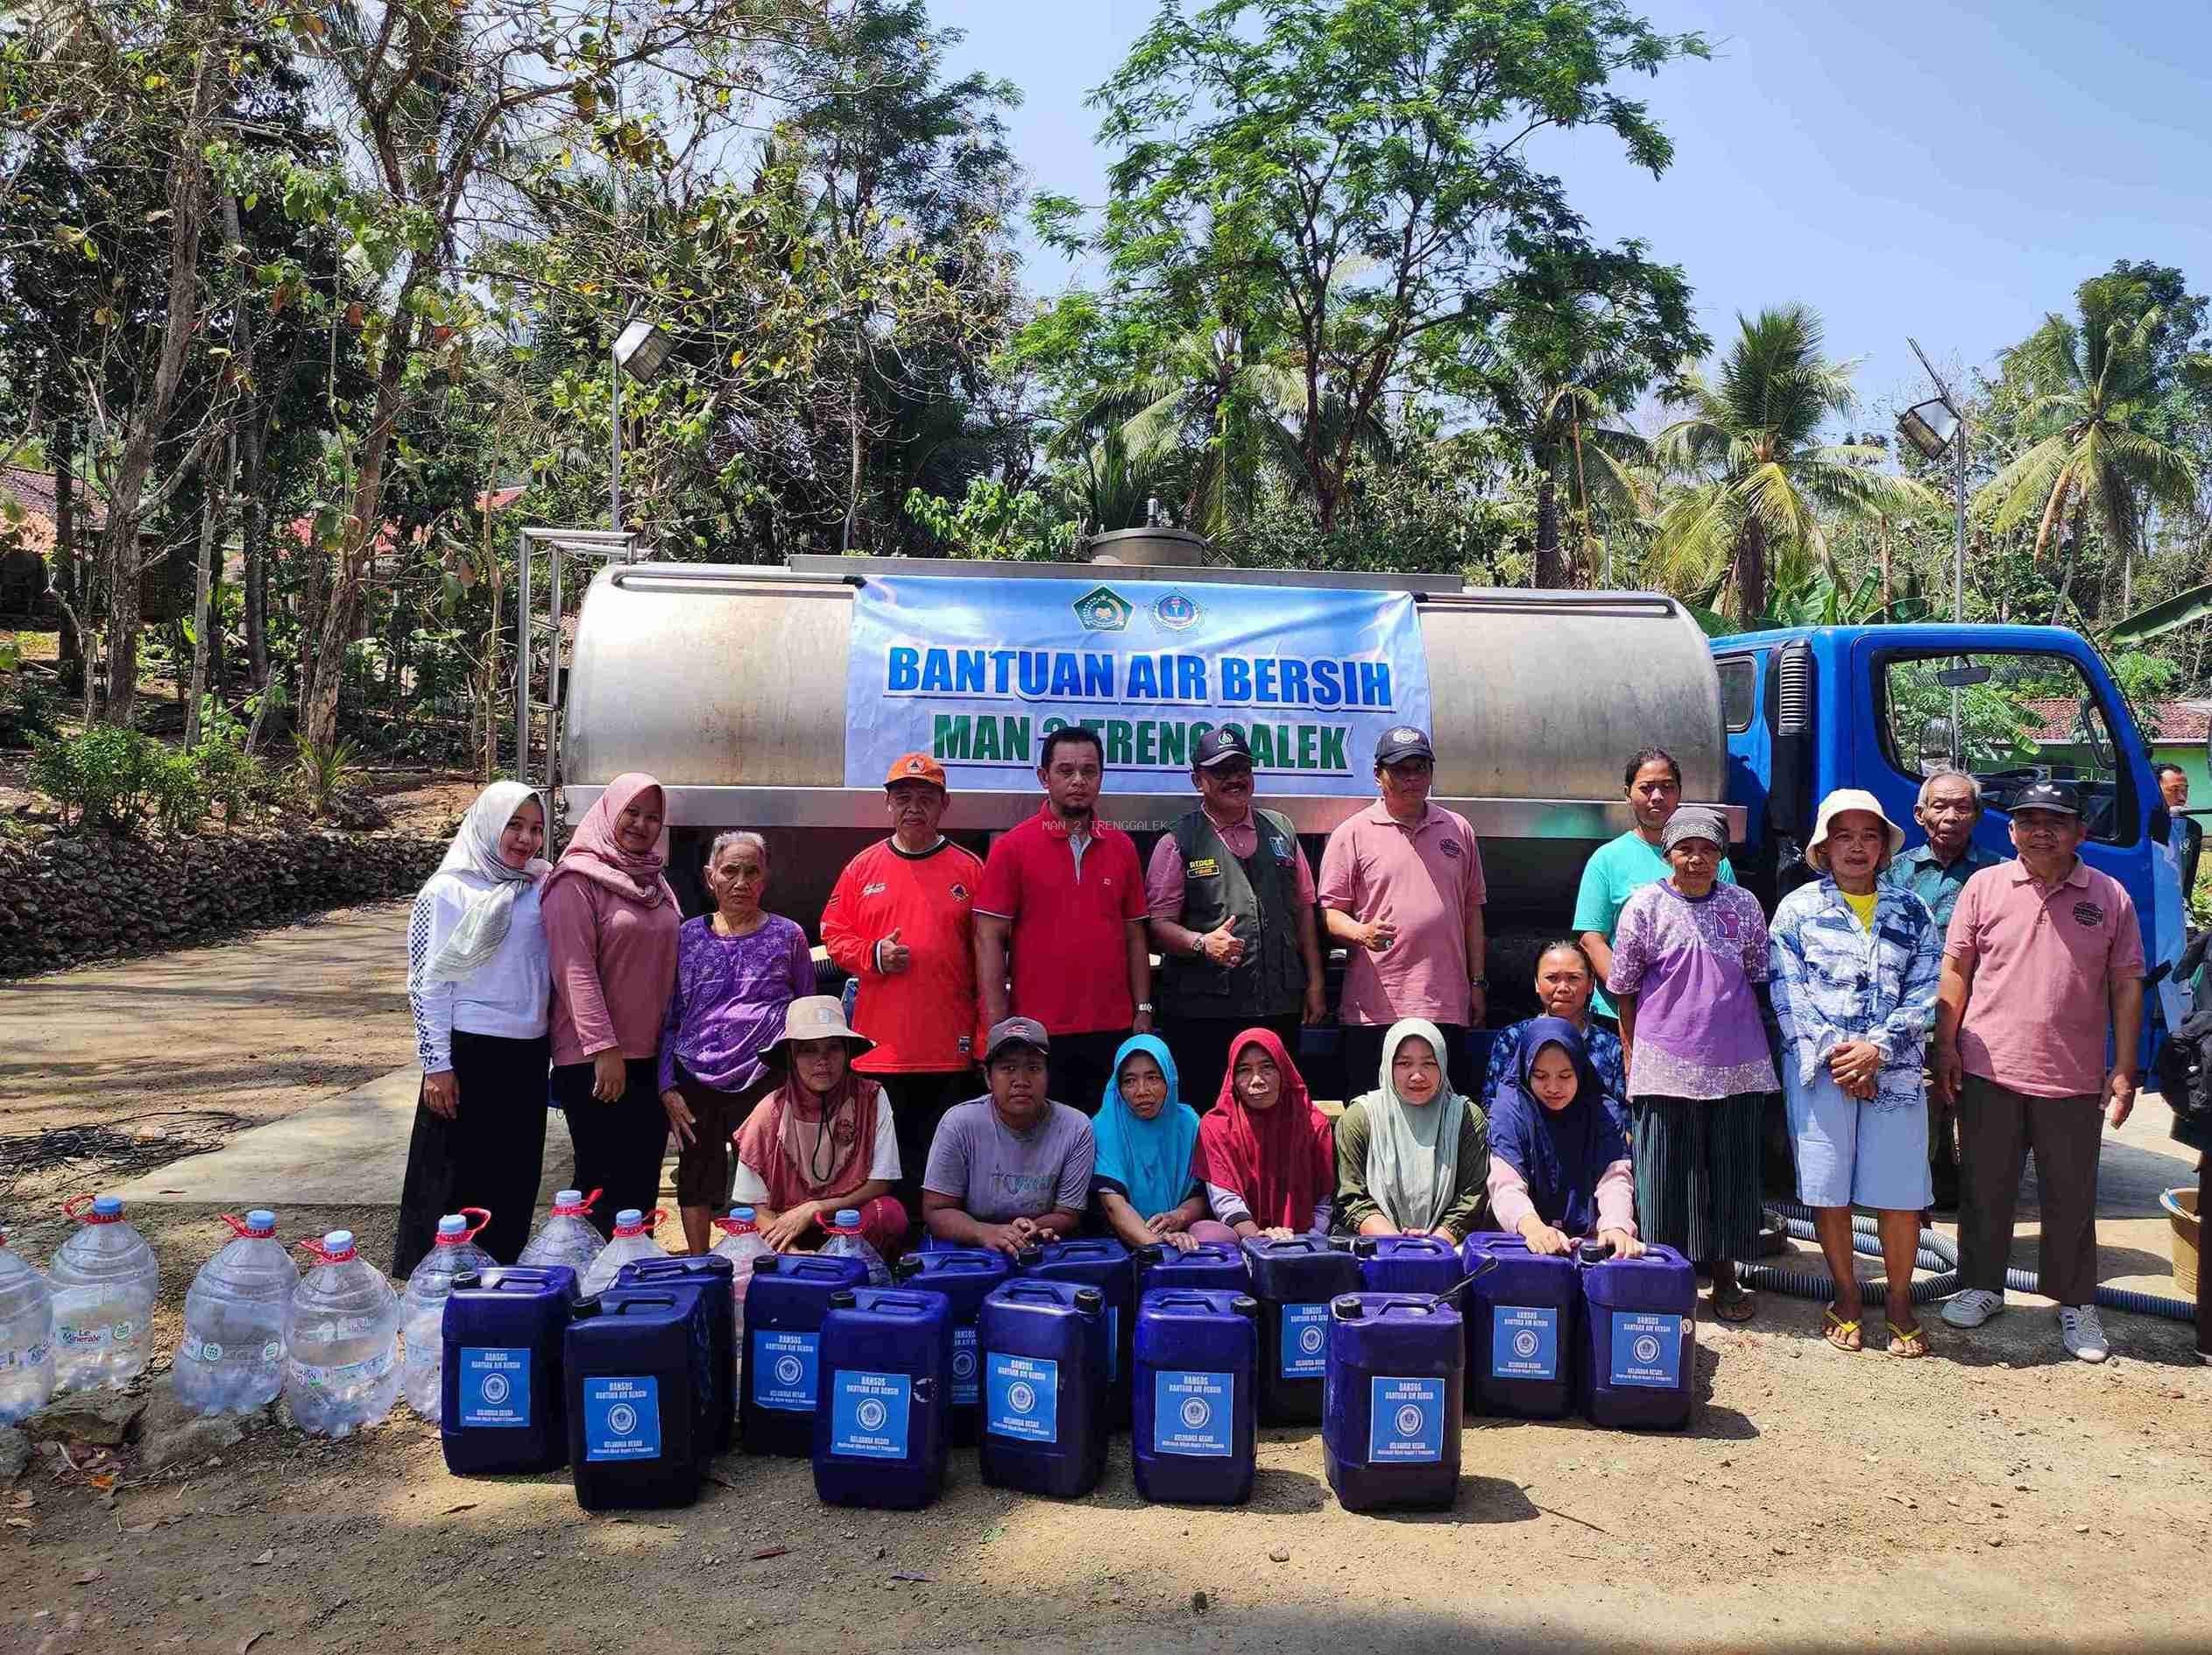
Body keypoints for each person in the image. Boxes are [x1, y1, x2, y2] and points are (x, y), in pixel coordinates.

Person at [1934, 781, 2145, 1363]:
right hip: (1988, 1068)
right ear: (2010, 831)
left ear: (2080, 832)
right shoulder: (1984, 887)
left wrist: (2124, 1068)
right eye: (2028, 821)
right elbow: (1956, 970)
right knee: (1984, 1189)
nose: (2040, 831)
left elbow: (2126, 985)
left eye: (2055, 821)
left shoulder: (2109, 896)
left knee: (2070, 1198)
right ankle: (1981, 1285)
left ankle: (2075, 1302)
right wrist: (1945, 1045)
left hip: (2072, 1075)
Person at [1769, 790, 1943, 1357]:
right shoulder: (1795, 911)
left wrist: (1878, 1050)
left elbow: (1926, 990)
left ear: (1884, 848)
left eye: (1869, 836)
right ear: (1823, 848)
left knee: (1899, 1194)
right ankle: (1845, 1294)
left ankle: (1898, 1299)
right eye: (1842, 836)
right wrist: (1841, 1060)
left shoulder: (1911, 911)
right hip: (1823, 1076)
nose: (1856, 847)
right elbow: (1788, 995)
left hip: (1894, 1073)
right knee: (1830, 1191)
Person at [1607, 806, 1776, 1322]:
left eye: (1708, 849)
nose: (1697, 858)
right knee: (1664, 1178)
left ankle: (1724, 1278)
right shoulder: (1645, 905)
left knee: (1730, 1174)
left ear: (1721, 855)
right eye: (1686, 848)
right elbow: (1624, 989)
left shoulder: (1743, 904)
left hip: (1735, 1063)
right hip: (1664, 1064)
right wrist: (1632, 1054)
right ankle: (1665, 1281)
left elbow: (1757, 975)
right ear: (1668, 853)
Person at [821, 753, 986, 1227]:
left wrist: (981, 1039)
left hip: (948, 1052)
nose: (914, 807)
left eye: (926, 798)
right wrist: (873, 955)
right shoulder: (861, 868)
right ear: (888, 804)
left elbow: (990, 960)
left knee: (944, 1172)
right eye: (904, 797)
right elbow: (834, 933)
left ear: (944, 805)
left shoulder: (970, 869)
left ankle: (940, 1252)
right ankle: (890, 1251)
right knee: (884, 1175)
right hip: (880, 1054)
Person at [395, 782, 553, 1275]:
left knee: (514, 1174)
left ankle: (502, 1276)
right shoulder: (448, 890)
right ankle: (440, 1283)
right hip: (470, 1051)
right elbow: (428, 982)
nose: (526, 839)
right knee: (454, 1176)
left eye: (536, 829)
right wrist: (437, 1065)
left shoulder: (540, 885)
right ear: (488, 825)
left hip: (528, 1051)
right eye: (514, 826)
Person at [1146, 727, 1327, 1112]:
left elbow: (1304, 911)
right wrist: (1201, 943)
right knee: (1210, 1115)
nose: (1234, 779)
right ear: (1198, 780)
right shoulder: (1177, 841)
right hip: (1204, 1015)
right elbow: (1157, 926)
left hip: (1278, 1008)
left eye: (1241, 768)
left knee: (1276, 1113)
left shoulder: (1282, 830)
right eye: (1221, 771)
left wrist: (1314, 983)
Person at [975, 726, 1150, 1115]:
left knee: (1105, 1138)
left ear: (1101, 777)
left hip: (1113, 1029)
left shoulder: (1122, 847)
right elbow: (989, 940)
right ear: (1044, 777)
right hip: (1038, 1033)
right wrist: (998, 1027)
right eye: (1066, 771)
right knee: (1042, 1140)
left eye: (1089, 771)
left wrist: (1143, 1009)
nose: (1078, 781)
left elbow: (1136, 936)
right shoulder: (1012, 848)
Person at [657, 831, 815, 1255]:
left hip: (766, 1074)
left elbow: (806, 1014)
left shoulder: (789, 936)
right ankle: (699, 1262)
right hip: (696, 1074)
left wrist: (800, 1082)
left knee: (769, 1171)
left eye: (751, 872)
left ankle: (771, 1258)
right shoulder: (687, 936)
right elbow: (670, 1015)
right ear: (711, 877)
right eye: (730, 871)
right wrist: (667, 1086)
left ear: (765, 879)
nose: (741, 882)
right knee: (697, 1170)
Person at [544, 774, 682, 1240]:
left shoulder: (654, 881)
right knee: (601, 1180)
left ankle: (632, 1270)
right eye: (632, 813)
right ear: (608, 814)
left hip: (649, 1057)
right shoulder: (575, 880)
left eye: (653, 817)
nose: (642, 825)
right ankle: (590, 1270)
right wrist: (604, 1048)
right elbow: (573, 969)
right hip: (595, 1060)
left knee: (641, 1179)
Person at [1318, 726, 1488, 1099]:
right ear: (1378, 774)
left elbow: (1472, 912)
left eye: (1420, 767)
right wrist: (1361, 932)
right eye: (1400, 769)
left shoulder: (1458, 829)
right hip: (1375, 1009)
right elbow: (1329, 914)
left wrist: (1477, 984)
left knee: (1443, 1116)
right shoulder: (1351, 833)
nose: (1412, 777)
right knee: (1373, 1115)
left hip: (1445, 1004)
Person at [1883, 767, 2006, 1208]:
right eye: (1940, 806)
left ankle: (1978, 1219)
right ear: (1920, 815)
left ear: (1977, 815)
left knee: (1984, 1134)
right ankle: (1915, 1221)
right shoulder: (1894, 872)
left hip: (1983, 1024)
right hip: (1914, 1023)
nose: (1951, 816)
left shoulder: (2000, 874)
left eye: (1962, 807)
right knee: (1918, 1130)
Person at [730, 996, 905, 1258]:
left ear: (847, 1052)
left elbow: (880, 1183)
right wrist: (790, 1252)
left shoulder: (871, 1098)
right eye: (809, 1050)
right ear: (792, 1057)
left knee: (888, 1213)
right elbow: (755, 1207)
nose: (822, 1060)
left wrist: (815, 1209)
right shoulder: (769, 1112)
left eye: (833, 1048)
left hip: (850, 1225)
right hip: (786, 1229)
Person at [1572, 746, 1736, 1026]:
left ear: (1679, 793)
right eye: (1646, 788)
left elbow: (1729, 938)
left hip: (1696, 1017)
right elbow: (1591, 939)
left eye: (1667, 787)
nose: (1657, 796)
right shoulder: (1607, 859)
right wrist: (1632, 993)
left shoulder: (1714, 862)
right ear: (1628, 794)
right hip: (1622, 1015)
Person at [922, 1017, 1097, 1256]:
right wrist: (984, 1232)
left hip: (1038, 1244)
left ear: (1047, 1075)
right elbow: (937, 1210)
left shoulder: (1076, 1127)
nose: (1021, 1081)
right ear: (988, 1077)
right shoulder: (959, 1123)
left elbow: (1068, 1213)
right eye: (1008, 1068)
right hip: (969, 1246)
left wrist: (1032, 1228)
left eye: (1033, 1068)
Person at [1485, 1016, 1643, 1259]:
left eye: (1565, 1076)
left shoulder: (1602, 1111)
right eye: (1540, 1076)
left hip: (1590, 1240)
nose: (1553, 1087)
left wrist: (1616, 1225)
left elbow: (1614, 1178)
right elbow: (1505, 1182)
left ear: (1580, 1070)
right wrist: (1531, 1226)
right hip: (1522, 1241)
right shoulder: (1510, 1109)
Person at [1333, 1019, 1493, 1242]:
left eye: (1429, 1063)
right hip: (1374, 1246)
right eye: (1404, 1063)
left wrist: (1435, 1245)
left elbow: (1472, 1197)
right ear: (1388, 1065)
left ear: (1443, 1064)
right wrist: (1399, 1244)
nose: (1417, 1075)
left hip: (1449, 1248)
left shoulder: (1466, 1118)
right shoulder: (1360, 1117)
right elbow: (1350, 1196)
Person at [1190, 1029, 1335, 1242]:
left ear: (1283, 1070)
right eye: (1244, 1070)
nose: (1256, 1080)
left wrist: (1304, 1242)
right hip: (1242, 1237)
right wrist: (1260, 1240)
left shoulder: (1313, 1124)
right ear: (1233, 1077)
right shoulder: (1216, 1126)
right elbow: (1226, 1201)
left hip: (1305, 1240)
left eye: (1267, 1067)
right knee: (1207, 1235)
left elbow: (1323, 1203)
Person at [1091, 1035, 1208, 1252]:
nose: (1141, 1091)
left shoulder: (1188, 1123)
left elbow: (1200, 1194)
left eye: (1152, 1078)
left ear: (1169, 1080)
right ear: (1118, 1087)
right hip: (1119, 1243)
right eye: (1129, 1081)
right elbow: (1114, 1206)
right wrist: (1160, 1249)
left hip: (1182, 1236)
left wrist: (1179, 1216)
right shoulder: (1105, 1126)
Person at [1481, 940, 1626, 1115]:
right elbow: (1492, 1106)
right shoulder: (1512, 1039)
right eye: (1552, 978)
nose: (1563, 988)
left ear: (1590, 984)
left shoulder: (1611, 1048)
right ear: (1537, 983)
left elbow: (1624, 1117)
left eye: (1573, 978)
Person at [2157, 762, 2202, 897]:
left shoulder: (2192, 829)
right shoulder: (2138, 826)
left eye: (2184, 790)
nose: (2182, 798)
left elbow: (2188, 878)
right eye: (2174, 790)